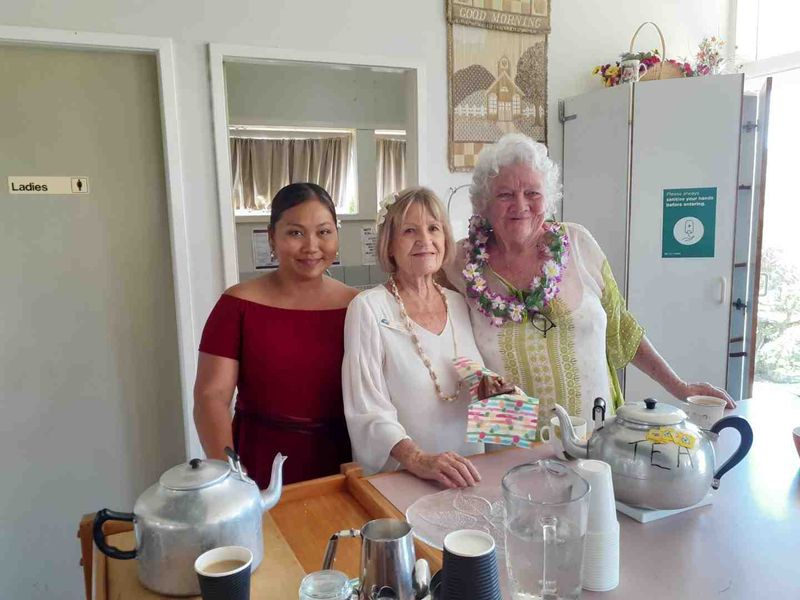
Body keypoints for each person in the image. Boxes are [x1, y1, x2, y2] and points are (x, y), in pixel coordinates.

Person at [442, 133, 734, 430]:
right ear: (483, 204)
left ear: (549, 198)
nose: (520, 205)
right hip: (509, 441)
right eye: (505, 194)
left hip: (594, 434)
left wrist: (680, 387)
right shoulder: (459, 262)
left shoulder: (578, 243)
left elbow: (622, 329)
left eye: (533, 193)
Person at [194, 183, 358, 487]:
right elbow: (210, 398)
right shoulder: (237, 305)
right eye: (295, 233)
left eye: (323, 232)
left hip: (344, 462)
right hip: (258, 462)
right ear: (272, 237)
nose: (311, 246)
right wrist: (229, 475)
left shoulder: (358, 305)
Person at [343, 187, 484, 488]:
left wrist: (505, 400)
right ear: (389, 245)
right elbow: (366, 410)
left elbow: (478, 394)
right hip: (404, 480)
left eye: (433, 228)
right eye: (410, 230)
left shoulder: (460, 304)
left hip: (469, 474)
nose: (425, 240)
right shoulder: (368, 308)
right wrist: (420, 460)